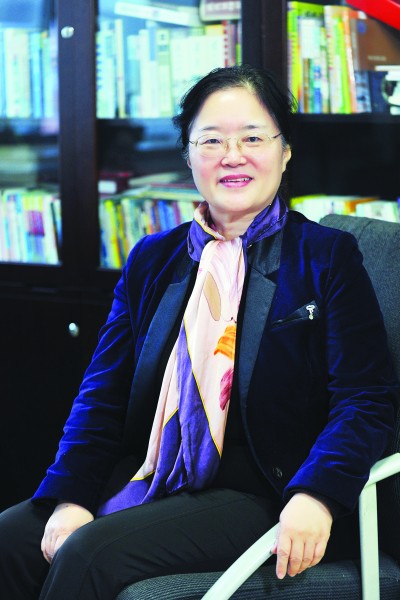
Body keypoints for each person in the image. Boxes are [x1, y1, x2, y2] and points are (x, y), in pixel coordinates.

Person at [0, 64, 398, 600]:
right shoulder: (152, 259)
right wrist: (72, 495)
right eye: (211, 140)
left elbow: (366, 399)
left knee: (89, 556)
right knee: (10, 540)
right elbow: (102, 396)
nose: (232, 156)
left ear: (285, 152)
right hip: (155, 475)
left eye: (252, 138)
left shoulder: (326, 257)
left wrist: (318, 494)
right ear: (188, 156)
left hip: (270, 491)